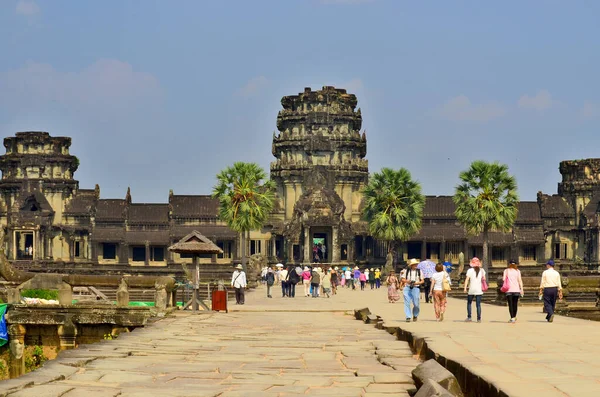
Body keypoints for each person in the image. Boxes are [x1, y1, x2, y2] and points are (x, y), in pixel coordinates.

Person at [463, 257, 486, 322]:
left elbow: (467, 279)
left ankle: (469, 317)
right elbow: (484, 279)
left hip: (471, 289)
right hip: (479, 289)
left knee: (469, 303)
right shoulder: (482, 270)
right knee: (478, 304)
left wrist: (465, 288)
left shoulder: (470, 270)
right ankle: (479, 318)